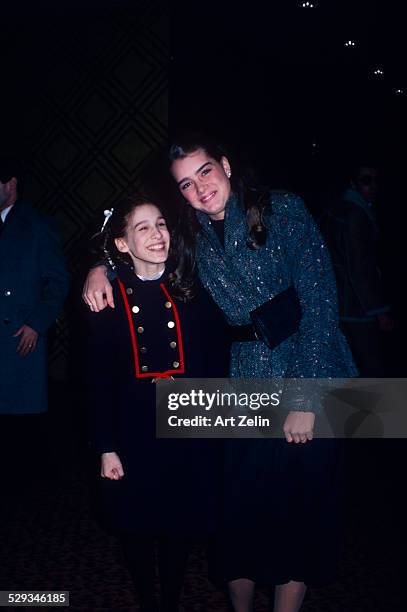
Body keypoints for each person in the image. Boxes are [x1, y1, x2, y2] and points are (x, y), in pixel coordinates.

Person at [83, 137, 356, 612]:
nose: (199, 188)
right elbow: (141, 252)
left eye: (205, 172)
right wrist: (99, 268)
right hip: (242, 380)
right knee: (239, 513)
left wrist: (305, 398)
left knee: (300, 511)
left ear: (226, 165)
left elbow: (321, 303)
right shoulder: (189, 233)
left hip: (308, 368)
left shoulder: (282, 209)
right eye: (186, 184)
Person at [85, 193, 229, 612]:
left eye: (161, 224)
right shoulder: (107, 298)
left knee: (179, 523)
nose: (157, 234)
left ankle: (168, 600)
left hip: (184, 423)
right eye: (143, 228)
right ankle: (148, 599)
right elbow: (98, 380)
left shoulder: (193, 288)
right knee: (135, 524)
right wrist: (105, 447)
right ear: (123, 244)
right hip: (132, 430)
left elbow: (215, 361)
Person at [0, 157, 68, 490]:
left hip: (19, 336)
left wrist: (36, 324)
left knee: (22, 425)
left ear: (10, 185)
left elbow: (58, 282)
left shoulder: (38, 226)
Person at [319, 163, 393, 376]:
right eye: (365, 180)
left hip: (341, 304)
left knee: (353, 368)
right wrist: (380, 310)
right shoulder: (355, 215)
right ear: (353, 183)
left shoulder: (342, 209)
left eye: (375, 180)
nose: (372, 186)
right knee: (371, 367)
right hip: (357, 308)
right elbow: (361, 267)